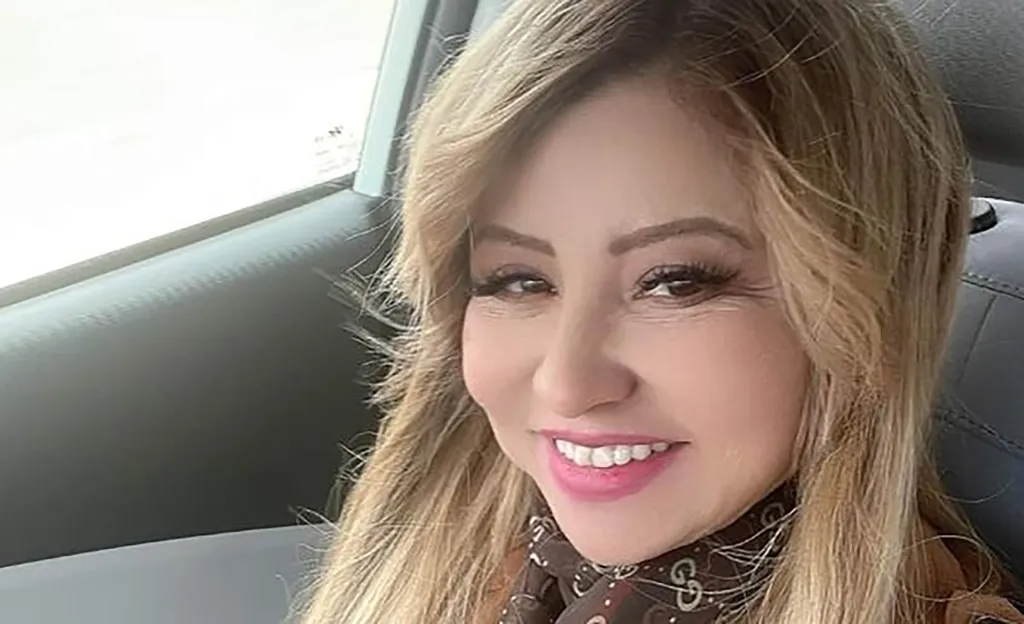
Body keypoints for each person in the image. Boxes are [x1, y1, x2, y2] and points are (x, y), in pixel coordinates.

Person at [299, 0, 1024, 622]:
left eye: (676, 282)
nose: (565, 384)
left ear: (875, 298)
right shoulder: (455, 534)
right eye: (519, 281)